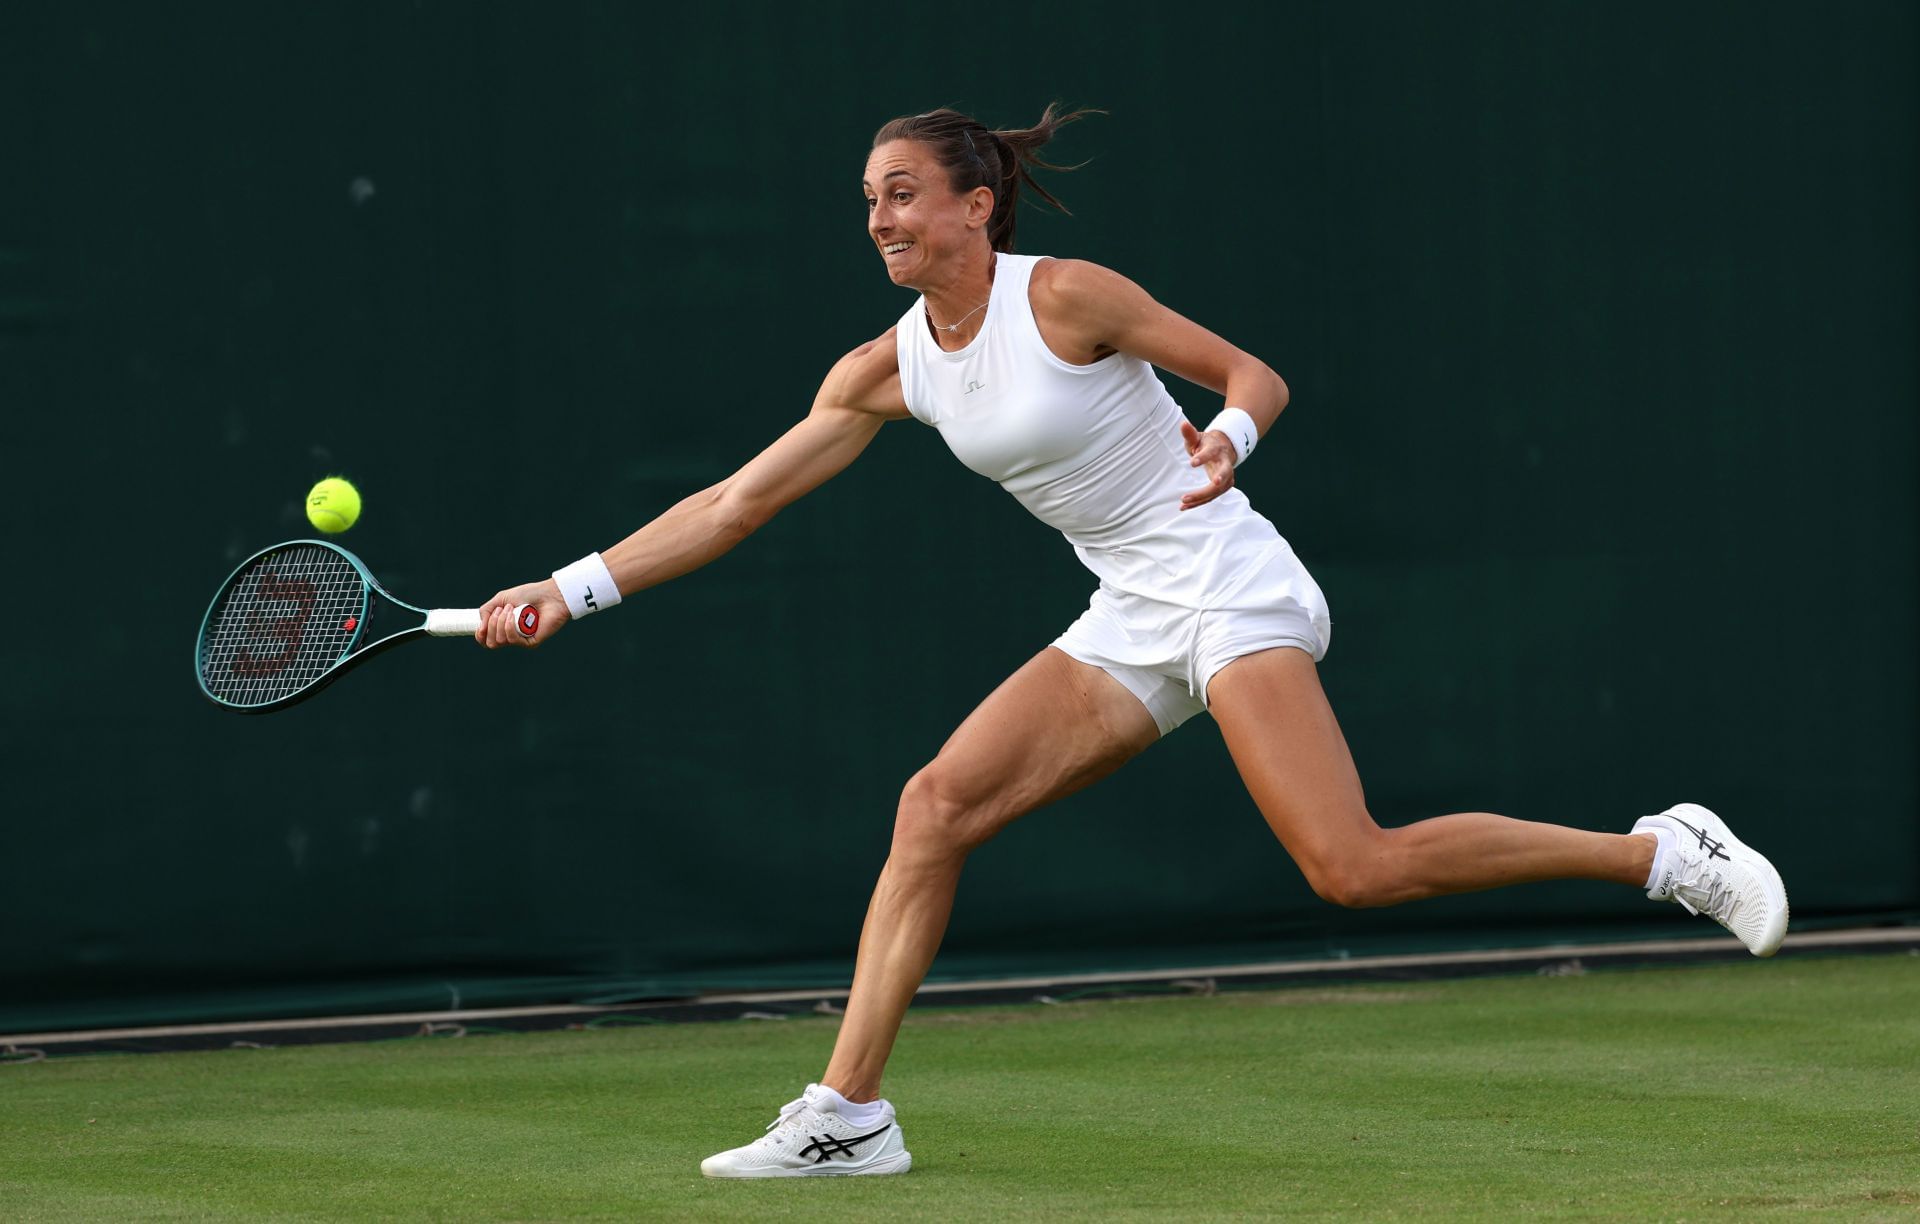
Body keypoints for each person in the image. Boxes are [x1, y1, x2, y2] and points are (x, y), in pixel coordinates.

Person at [473, 104, 1788, 1179]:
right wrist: (570, 586)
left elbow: (1251, 373)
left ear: (974, 205)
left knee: (1353, 869)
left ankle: (1663, 853)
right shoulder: (888, 368)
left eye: (902, 193)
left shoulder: (1070, 299)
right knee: (933, 808)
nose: (879, 217)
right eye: (869, 198)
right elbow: (736, 501)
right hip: (1132, 612)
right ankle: (849, 1116)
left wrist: (1231, 438)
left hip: (1227, 578)